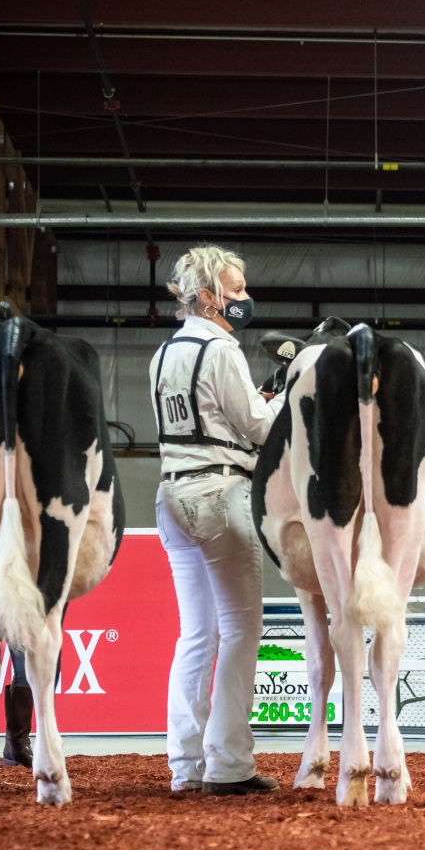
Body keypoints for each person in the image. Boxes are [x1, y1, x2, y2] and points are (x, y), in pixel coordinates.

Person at [150, 245, 284, 796]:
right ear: (208, 297)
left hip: (171, 492)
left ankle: (186, 766)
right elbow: (260, 428)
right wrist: (282, 398)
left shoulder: (163, 353)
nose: (244, 298)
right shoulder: (222, 348)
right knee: (241, 631)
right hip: (220, 491)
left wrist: (255, 403)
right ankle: (229, 764)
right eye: (236, 290)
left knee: (196, 634)